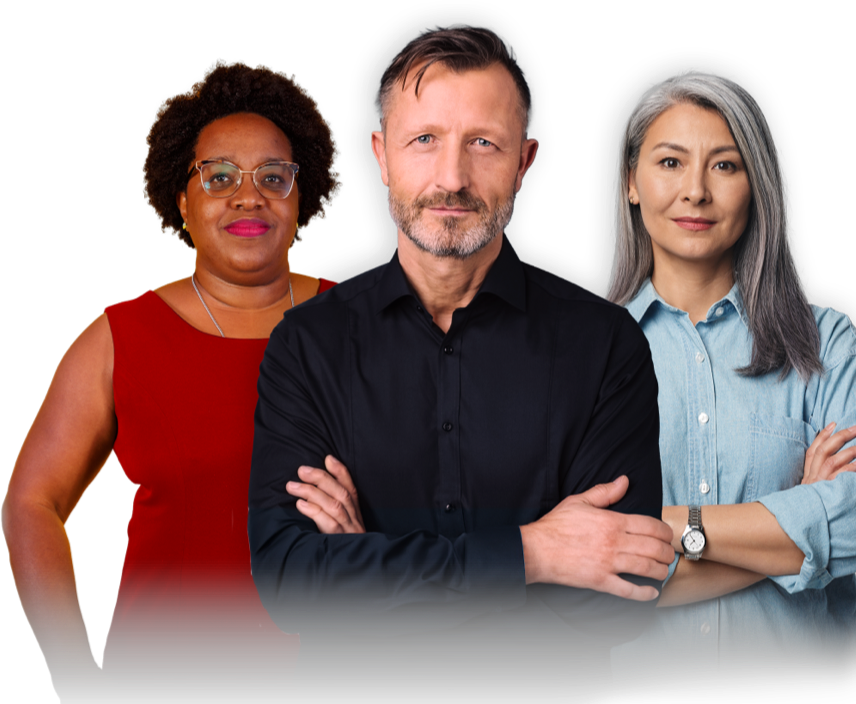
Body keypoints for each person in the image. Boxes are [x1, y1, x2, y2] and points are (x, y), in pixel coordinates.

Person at [248, 24, 675, 702]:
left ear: (524, 162)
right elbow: (294, 587)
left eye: (484, 143)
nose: (452, 178)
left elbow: (616, 604)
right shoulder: (308, 345)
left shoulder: (605, 345)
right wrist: (534, 555)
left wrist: (369, 574)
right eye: (425, 141)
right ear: (382, 157)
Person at [3, 60, 341, 702]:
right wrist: (75, 676)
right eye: (219, 178)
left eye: (274, 177)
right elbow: (29, 505)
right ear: (181, 200)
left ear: (304, 194)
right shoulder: (120, 338)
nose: (250, 196)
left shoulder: (364, 327)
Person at [605, 70, 856, 692]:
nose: (695, 192)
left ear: (756, 187)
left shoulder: (829, 343)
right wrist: (796, 524)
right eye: (669, 161)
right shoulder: (579, 353)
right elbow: (583, 576)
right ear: (631, 183)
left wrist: (664, 527)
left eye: (724, 165)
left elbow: (855, 528)